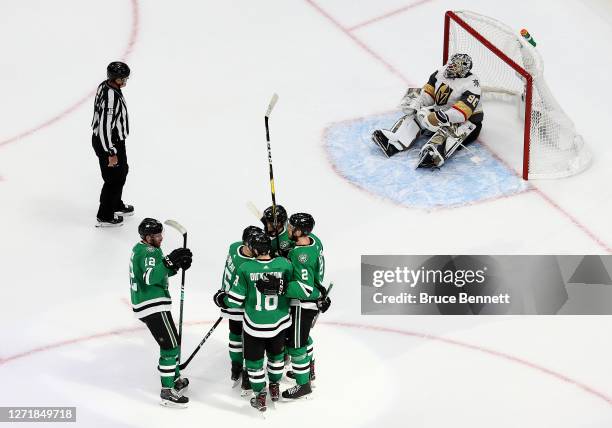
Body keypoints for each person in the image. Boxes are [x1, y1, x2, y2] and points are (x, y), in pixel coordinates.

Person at [213, 231, 321, 412]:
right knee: (277, 358)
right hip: (280, 325)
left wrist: (221, 298)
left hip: (255, 327)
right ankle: (275, 386)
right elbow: (299, 285)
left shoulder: (245, 268)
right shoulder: (285, 264)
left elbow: (235, 300)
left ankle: (260, 394)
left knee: (255, 363)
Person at [371, 53, 484, 168]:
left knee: (451, 130)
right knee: (415, 116)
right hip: (442, 113)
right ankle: (395, 140)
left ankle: (433, 154)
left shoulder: (472, 84)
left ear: (462, 70)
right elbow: (429, 91)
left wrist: (440, 117)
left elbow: (462, 112)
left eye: (454, 66)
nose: (449, 67)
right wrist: (417, 103)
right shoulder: (441, 72)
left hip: (467, 121)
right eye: (450, 64)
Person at [129, 218, 193, 407]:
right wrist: (169, 261)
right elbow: (150, 277)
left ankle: (174, 379)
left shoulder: (144, 248)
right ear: (147, 237)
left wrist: (175, 265)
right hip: (152, 303)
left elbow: (159, 271)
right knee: (171, 347)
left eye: (160, 234)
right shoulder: (148, 251)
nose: (160, 238)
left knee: (172, 341)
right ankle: (167, 391)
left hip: (150, 303)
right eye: (156, 236)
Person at [284, 213, 331, 399]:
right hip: (312, 303)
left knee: (296, 345)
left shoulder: (300, 255)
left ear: (300, 231)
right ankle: (308, 371)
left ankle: (303, 386)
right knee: (305, 338)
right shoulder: (314, 241)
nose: (288, 229)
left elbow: (304, 289)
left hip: (302, 305)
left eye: (291, 227)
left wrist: (280, 288)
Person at [218, 225, 263, 393]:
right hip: (240, 302)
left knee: (235, 335)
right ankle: (246, 372)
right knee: (249, 339)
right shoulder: (248, 264)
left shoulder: (234, 247)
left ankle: (235, 367)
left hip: (228, 298)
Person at [91, 61, 133, 227]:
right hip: (109, 143)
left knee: (122, 172)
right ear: (115, 79)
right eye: (122, 79)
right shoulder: (111, 98)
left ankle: (115, 204)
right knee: (113, 179)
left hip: (114, 141)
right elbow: (104, 126)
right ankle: (105, 215)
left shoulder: (106, 86)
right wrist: (110, 152)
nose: (125, 82)